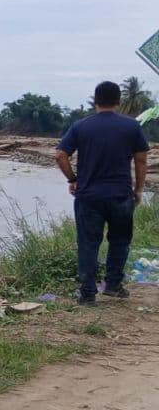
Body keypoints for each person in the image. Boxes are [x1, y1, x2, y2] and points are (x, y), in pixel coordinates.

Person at [55, 81, 149, 305]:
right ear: (119, 101)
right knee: (120, 241)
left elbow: (60, 155)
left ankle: (88, 294)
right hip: (120, 195)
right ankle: (113, 285)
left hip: (88, 197)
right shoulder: (132, 127)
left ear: (95, 100)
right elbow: (141, 160)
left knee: (88, 243)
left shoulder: (81, 126)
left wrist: (73, 179)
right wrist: (138, 189)